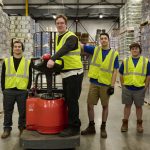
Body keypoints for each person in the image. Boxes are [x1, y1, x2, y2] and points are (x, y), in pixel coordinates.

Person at [47, 15, 83, 137]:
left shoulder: (71, 37)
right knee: (68, 100)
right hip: (66, 73)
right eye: (57, 23)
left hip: (74, 73)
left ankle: (74, 128)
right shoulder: (59, 37)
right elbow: (61, 56)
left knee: (72, 100)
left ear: (66, 24)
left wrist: (52, 58)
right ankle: (72, 122)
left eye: (62, 23)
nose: (60, 25)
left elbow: (66, 49)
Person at [81, 33, 119, 138]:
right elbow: (82, 45)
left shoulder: (114, 54)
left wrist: (112, 86)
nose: (103, 40)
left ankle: (103, 127)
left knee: (105, 106)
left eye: (105, 38)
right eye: (101, 39)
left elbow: (115, 71)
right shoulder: (95, 49)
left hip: (106, 84)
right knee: (89, 105)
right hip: (94, 82)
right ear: (99, 40)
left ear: (108, 40)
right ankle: (91, 126)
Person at [1, 40, 32, 139]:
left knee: (22, 111)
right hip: (9, 90)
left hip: (22, 90)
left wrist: (27, 88)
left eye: (19, 46)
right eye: (15, 46)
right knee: (8, 111)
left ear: (22, 49)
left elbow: (30, 76)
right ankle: (7, 129)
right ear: (13, 48)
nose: (17, 48)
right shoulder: (6, 61)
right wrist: (3, 89)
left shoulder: (27, 62)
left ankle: (22, 128)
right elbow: (2, 76)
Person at [119, 43, 150, 133]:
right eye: (132, 49)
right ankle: (125, 123)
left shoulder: (146, 61)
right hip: (127, 88)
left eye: (136, 48)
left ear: (139, 50)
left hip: (140, 88)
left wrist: (146, 86)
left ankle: (139, 124)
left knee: (139, 107)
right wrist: (123, 85)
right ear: (130, 50)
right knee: (127, 106)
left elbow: (148, 75)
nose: (134, 50)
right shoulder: (126, 61)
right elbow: (121, 73)